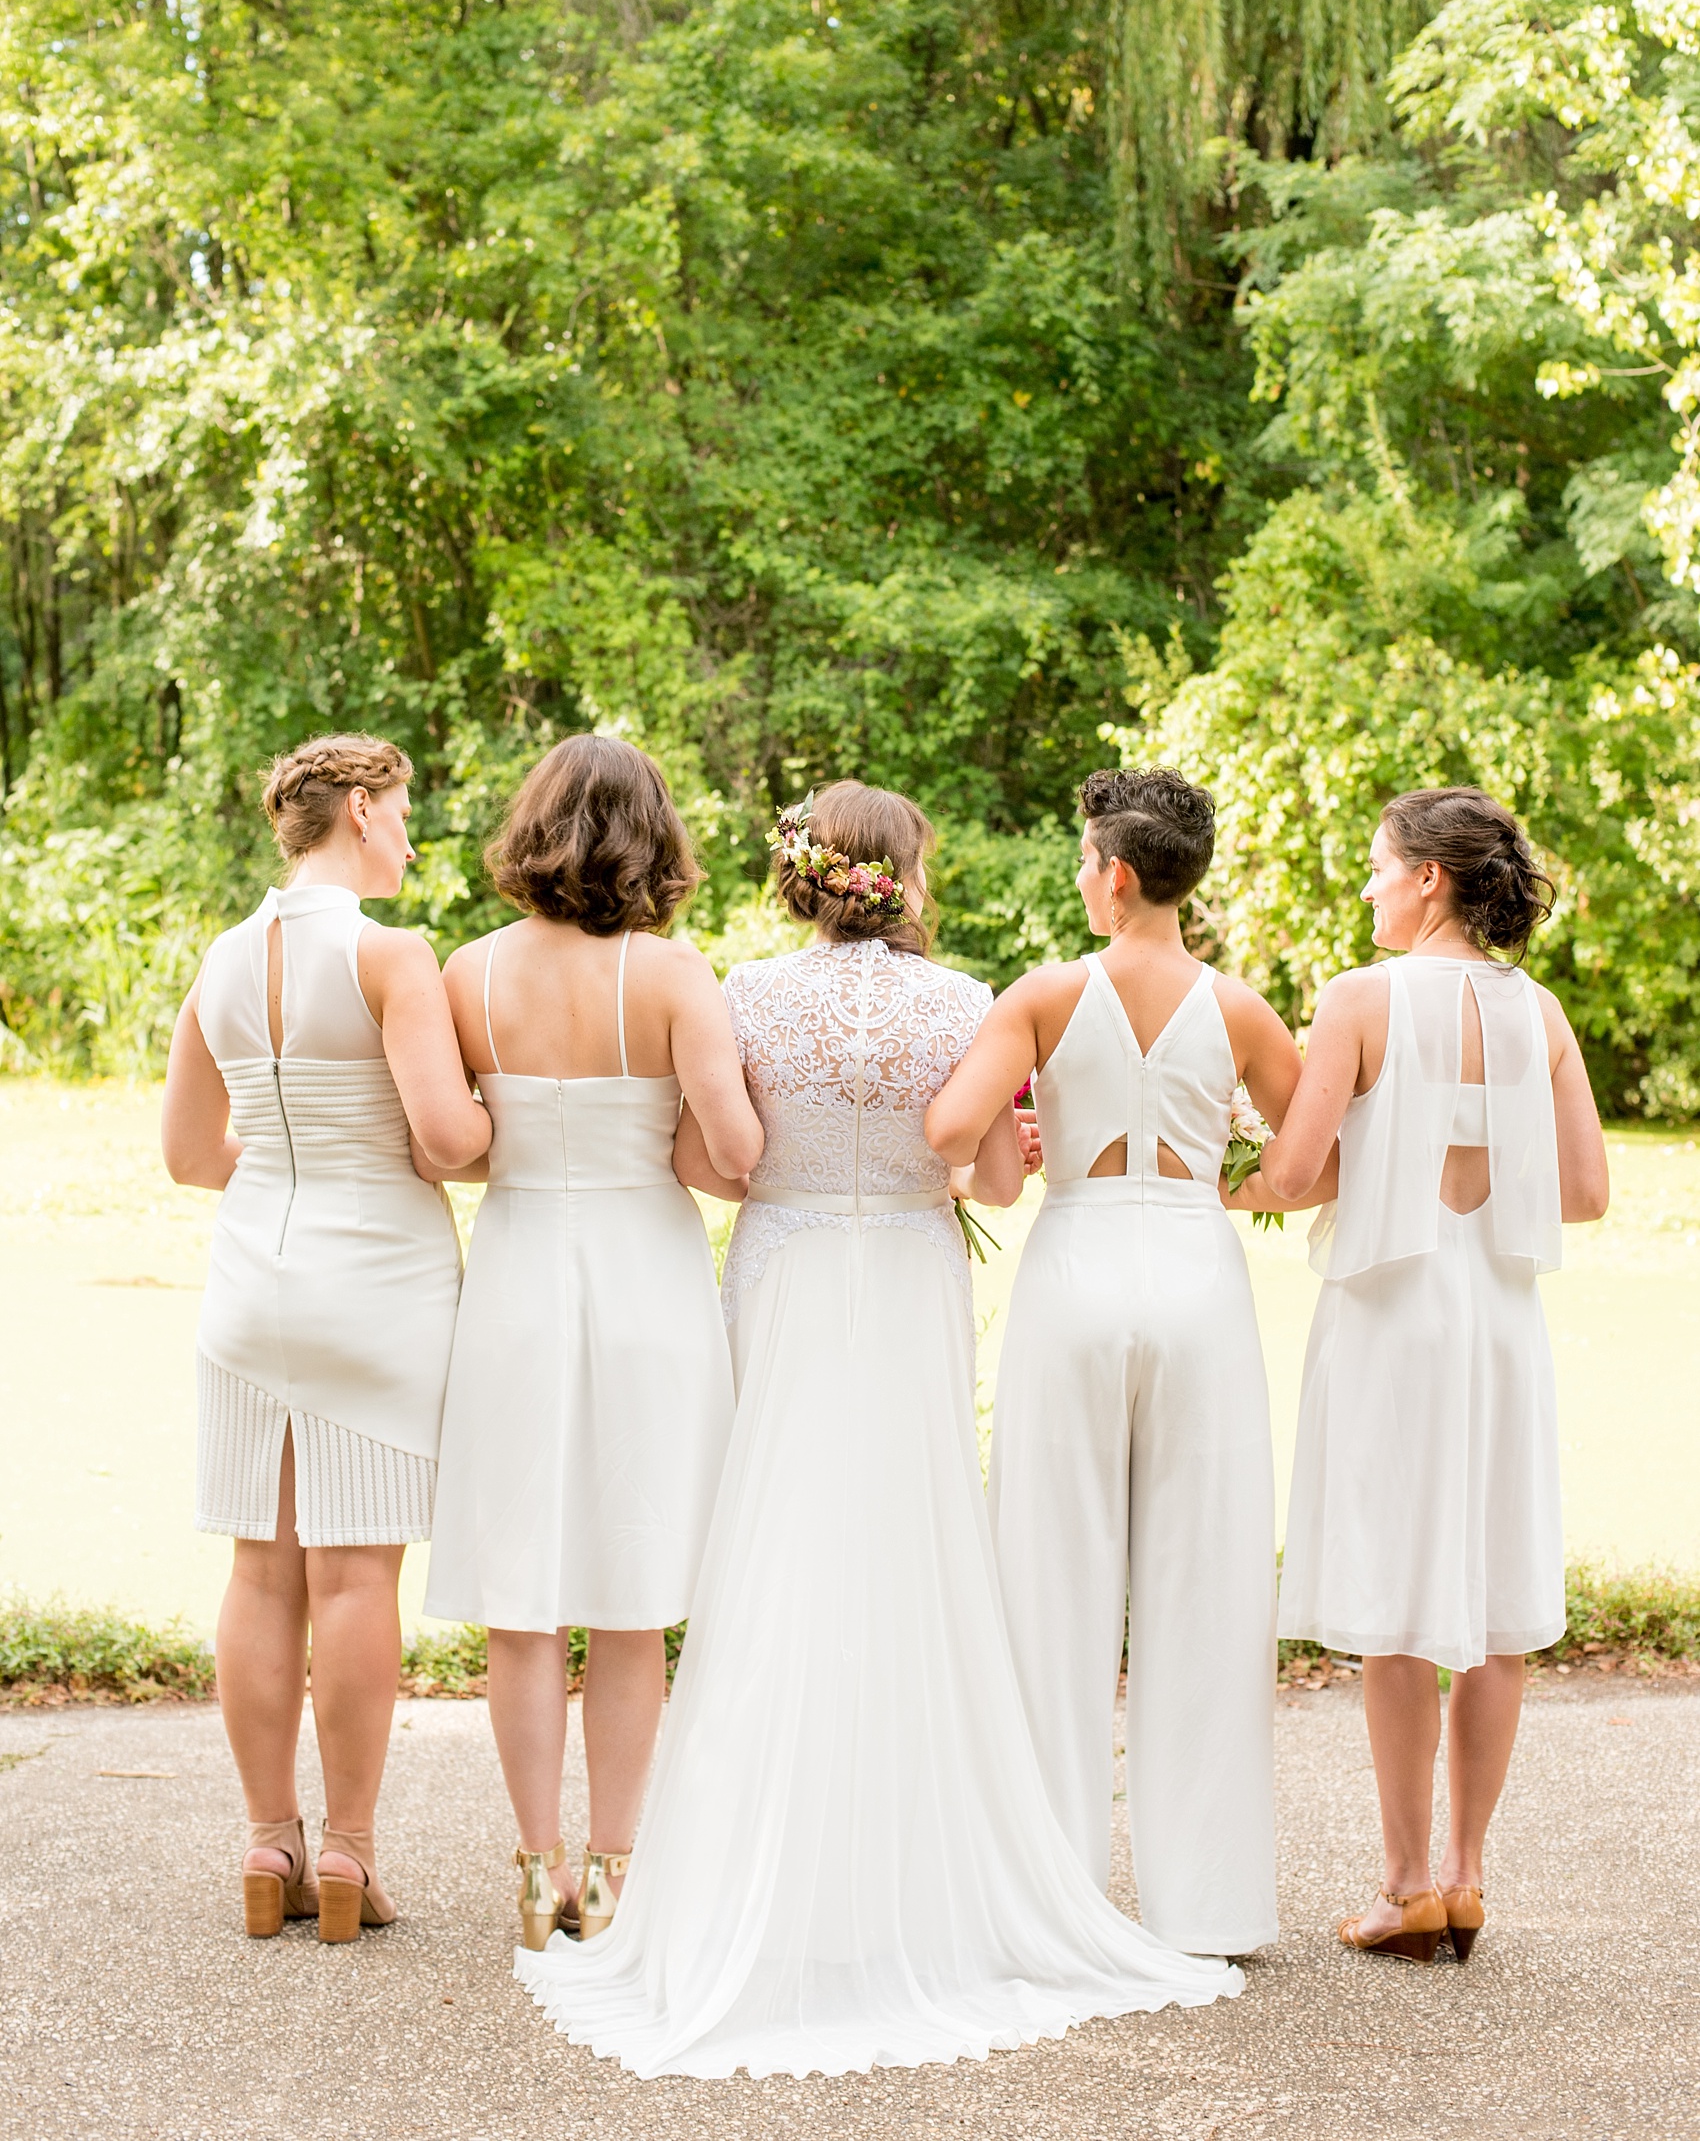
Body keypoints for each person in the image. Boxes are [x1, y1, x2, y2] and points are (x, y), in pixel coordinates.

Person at [512, 780, 1242, 2080]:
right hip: (909, 1278)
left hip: (788, 1267)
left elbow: (710, 1160)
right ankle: (912, 1871)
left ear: (807, 875)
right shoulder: (966, 1002)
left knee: (776, 1541)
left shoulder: (743, 995)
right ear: (903, 875)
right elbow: (1001, 1176)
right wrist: (993, 1151)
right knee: (915, 1547)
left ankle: (767, 1873)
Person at [929, 767, 1321, 1960]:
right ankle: (1207, 1907)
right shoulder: (1242, 1009)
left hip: (1077, 1270)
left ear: (1118, 873)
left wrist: (1019, 1130)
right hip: (1196, 1276)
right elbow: (1310, 1166)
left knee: (1052, 1580)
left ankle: (1050, 1895)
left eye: (1085, 863)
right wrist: (1226, 1182)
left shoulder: (1046, 994)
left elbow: (951, 1129)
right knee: (1204, 1587)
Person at [1243, 786, 1609, 1965]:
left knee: (1398, 1610)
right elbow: (1588, 1193)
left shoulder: (1359, 1000)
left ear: (1426, 880)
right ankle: (1464, 1878)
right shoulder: (1537, 1013)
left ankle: (1402, 1885)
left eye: (1373, 866)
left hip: (1392, 1323)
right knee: (1493, 1608)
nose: (1364, 887)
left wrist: (1194, 1175)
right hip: (1498, 1323)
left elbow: (1293, 1175)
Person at [421, 736, 762, 1948]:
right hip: (645, 1290)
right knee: (630, 1593)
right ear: (652, 837)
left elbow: (440, 1143)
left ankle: (533, 1870)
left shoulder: (466, 975)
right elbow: (733, 1156)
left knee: (524, 1598)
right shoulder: (675, 979)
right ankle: (612, 1876)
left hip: (517, 1279)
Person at [161, 734, 491, 1941]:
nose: (410, 835)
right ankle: (348, 1853)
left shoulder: (223, 956)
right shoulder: (393, 956)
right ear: (358, 810)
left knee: (262, 1567)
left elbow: (192, 1156)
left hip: (252, 1279)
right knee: (355, 1572)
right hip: (379, 1285)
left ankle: (267, 1840)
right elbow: (448, 1139)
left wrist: (296, 1154)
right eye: (402, 813)